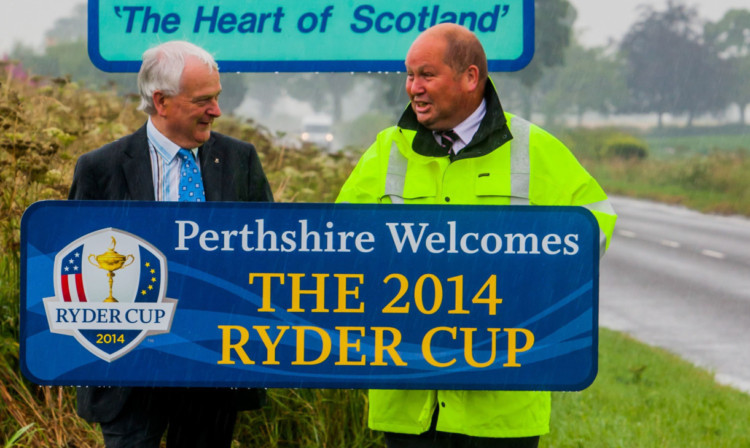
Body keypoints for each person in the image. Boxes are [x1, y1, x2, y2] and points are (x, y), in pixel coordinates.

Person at [336, 24, 617, 447]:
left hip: (502, 401)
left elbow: (594, 222)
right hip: (407, 399)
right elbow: (338, 242)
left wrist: (531, 287)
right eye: (409, 75)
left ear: (470, 77)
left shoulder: (533, 148)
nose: (413, 87)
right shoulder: (386, 149)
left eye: (426, 74)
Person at [69, 40, 273, 447]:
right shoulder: (100, 169)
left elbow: (267, 254)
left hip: (214, 367)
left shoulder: (241, 160)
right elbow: (73, 268)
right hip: (129, 373)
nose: (216, 110)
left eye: (216, 98)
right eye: (203, 100)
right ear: (161, 102)